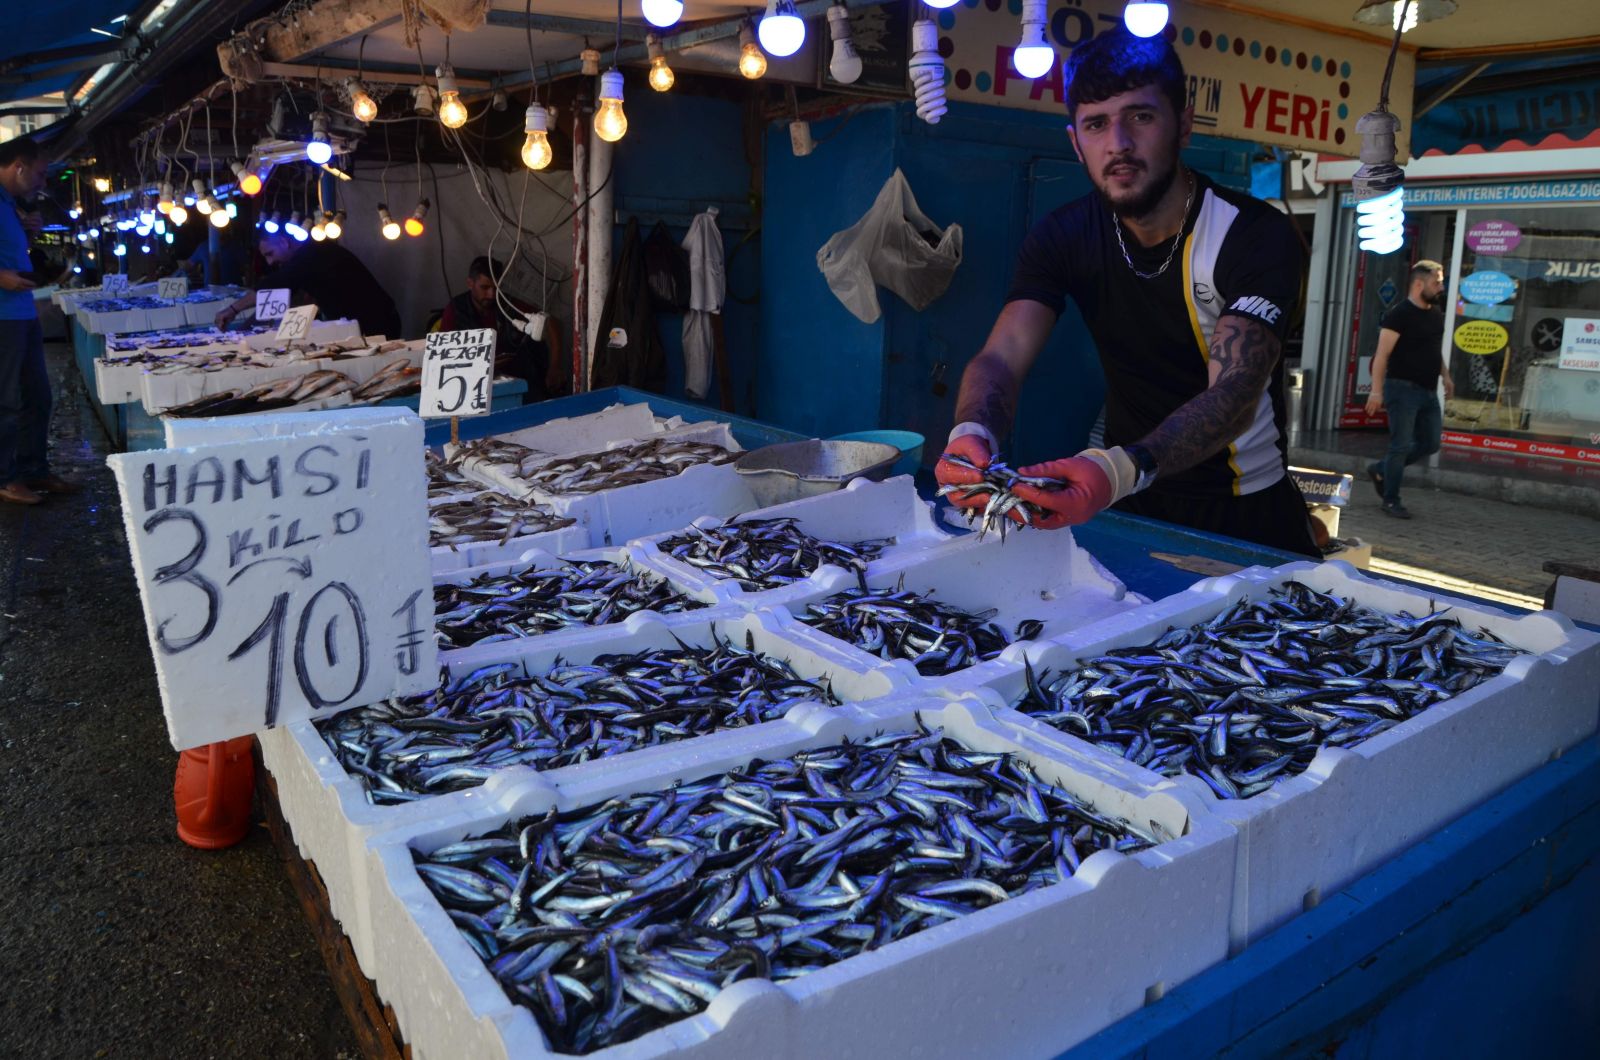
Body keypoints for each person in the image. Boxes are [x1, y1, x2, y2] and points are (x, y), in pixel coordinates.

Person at [934, 29, 1318, 557]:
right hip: (1129, 499)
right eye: (1096, 124)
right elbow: (1003, 355)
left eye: (1140, 116)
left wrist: (1120, 467)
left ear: (1183, 124)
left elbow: (1233, 392)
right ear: (1076, 142)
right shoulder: (1063, 236)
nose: (1118, 143)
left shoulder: (1254, 236)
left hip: (1243, 510)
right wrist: (971, 430)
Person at [0, 136, 77, 505]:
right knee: (7, 399)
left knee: (37, 396)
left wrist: (27, 234)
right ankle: (5, 476)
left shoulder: (8, 204)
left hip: (21, 311)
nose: (42, 182)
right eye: (40, 173)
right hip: (3, 316)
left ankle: (34, 468)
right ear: (19, 166)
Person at [1364, 260, 1452, 519]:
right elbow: (1382, 356)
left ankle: (1381, 469)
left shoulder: (1435, 313)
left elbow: (1434, 351)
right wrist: (1376, 391)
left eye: (1441, 281)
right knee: (1400, 446)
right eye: (1436, 282)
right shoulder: (1399, 314)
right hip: (1401, 389)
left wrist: (1445, 375)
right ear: (1418, 284)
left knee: (1430, 442)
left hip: (1428, 391)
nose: (1441, 287)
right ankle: (1391, 500)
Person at [214, 231, 401, 337]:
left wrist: (233, 310)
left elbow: (273, 285)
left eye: (270, 254)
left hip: (377, 324)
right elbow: (275, 301)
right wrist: (243, 330)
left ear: (283, 242)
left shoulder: (310, 255)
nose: (270, 263)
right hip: (364, 323)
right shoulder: (308, 257)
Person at [434, 256, 562, 401]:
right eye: (485, 287)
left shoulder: (507, 303)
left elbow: (550, 322)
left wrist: (555, 366)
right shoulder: (455, 309)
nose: (492, 294)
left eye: (496, 287)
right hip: (473, 384)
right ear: (470, 283)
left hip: (515, 379)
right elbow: (442, 354)